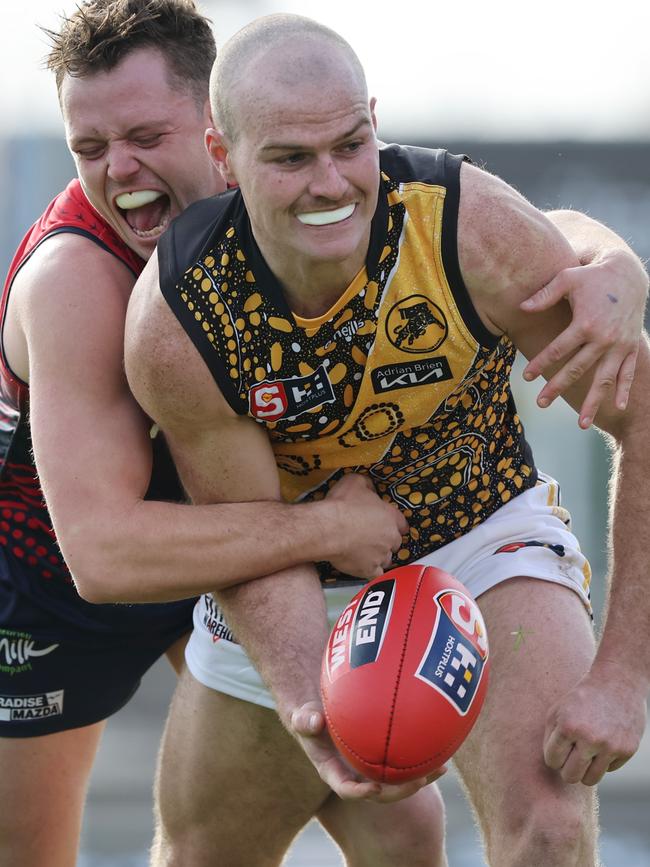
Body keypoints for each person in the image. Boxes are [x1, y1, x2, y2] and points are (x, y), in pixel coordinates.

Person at [123, 13, 650, 867]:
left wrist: (624, 678)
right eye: (290, 158)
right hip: (287, 562)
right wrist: (306, 698)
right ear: (223, 158)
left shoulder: (466, 225)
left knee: (550, 827)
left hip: (485, 540)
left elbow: (643, 408)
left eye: (350, 143)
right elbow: (252, 533)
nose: (330, 183)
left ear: (375, 121)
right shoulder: (179, 318)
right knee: (202, 855)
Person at [0, 4, 432, 866]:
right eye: (90, 149)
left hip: (233, 549)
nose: (119, 172)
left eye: (145, 136)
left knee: (396, 822)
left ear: (218, 127)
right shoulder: (74, 282)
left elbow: (465, 220)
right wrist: (329, 528)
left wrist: (600, 264)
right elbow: (106, 554)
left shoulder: (296, 182)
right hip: (54, 580)